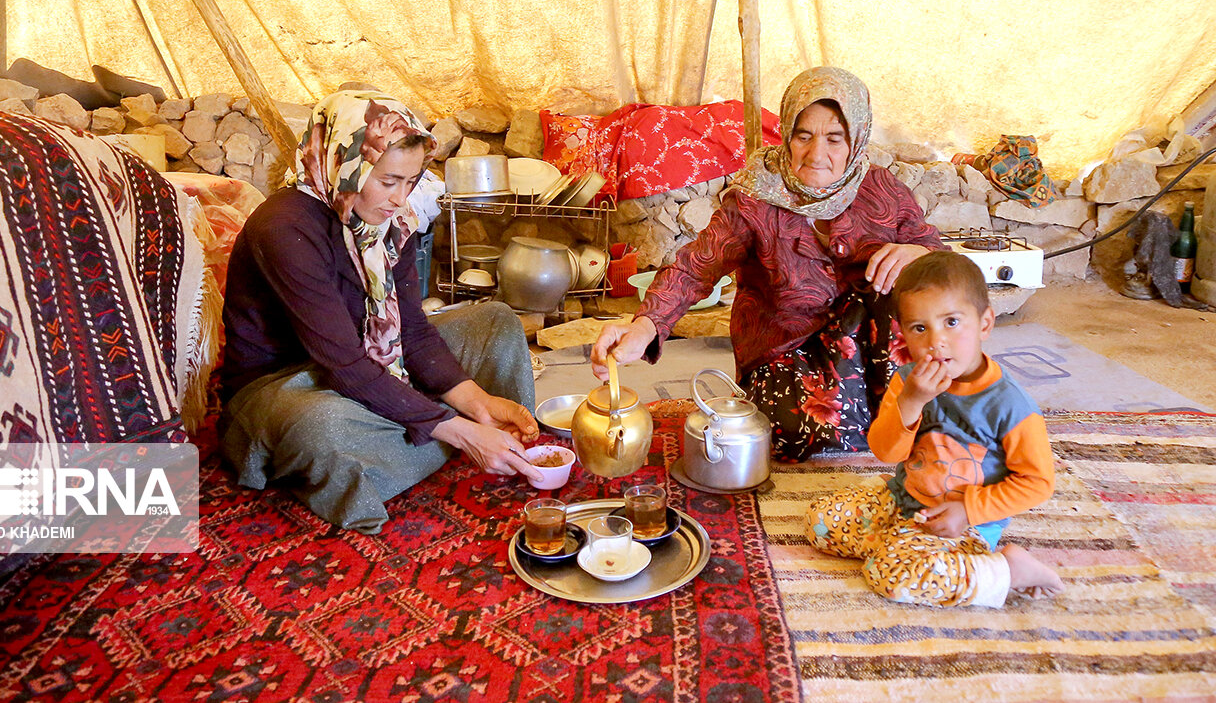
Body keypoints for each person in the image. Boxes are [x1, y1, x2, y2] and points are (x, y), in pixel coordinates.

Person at [219, 90, 541, 533]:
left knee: (496, 322)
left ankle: (468, 432)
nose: (399, 198)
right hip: (287, 387)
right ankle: (457, 437)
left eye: (410, 181)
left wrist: (479, 403)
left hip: (367, 366)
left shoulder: (388, 224)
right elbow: (342, 363)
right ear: (344, 165)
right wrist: (460, 428)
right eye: (388, 181)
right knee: (325, 429)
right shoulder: (286, 227)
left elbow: (412, 329)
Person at [592, 67, 944, 461]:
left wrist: (921, 254)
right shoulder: (755, 198)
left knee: (908, 288)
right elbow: (695, 266)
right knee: (793, 434)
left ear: (856, 138)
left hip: (866, 343)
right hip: (785, 347)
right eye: (803, 136)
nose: (817, 155)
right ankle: (876, 420)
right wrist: (645, 326)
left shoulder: (882, 190)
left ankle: (896, 412)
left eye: (834, 138)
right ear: (788, 134)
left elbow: (939, 258)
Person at [805, 251, 1063, 607]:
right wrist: (911, 403)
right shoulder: (909, 381)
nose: (935, 341)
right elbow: (885, 452)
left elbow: (1037, 483)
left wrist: (969, 511)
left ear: (985, 323)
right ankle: (903, 545)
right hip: (902, 498)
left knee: (891, 577)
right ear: (904, 334)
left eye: (952, 322)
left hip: (961, 523)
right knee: (821, 523)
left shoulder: (1011, 406)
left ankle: (1006, 570)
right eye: (919, 328)